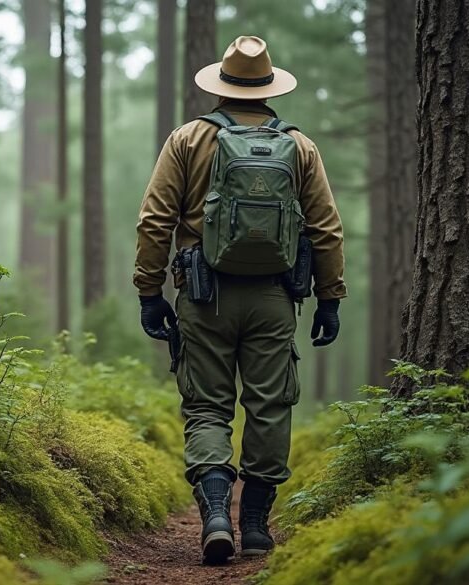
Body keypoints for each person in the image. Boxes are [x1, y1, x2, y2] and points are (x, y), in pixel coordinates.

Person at [133, 35, 346, 564]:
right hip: (275, 298)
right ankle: (254, 525)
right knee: (270, 406)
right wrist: (329, 299)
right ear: (268, 87)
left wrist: (148, 292)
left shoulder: (187, 139)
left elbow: (155, 220)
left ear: (221, 86)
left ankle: (213, 515)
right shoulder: (299, 146)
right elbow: (325, 229)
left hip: (203, 296)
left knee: (206, 405)